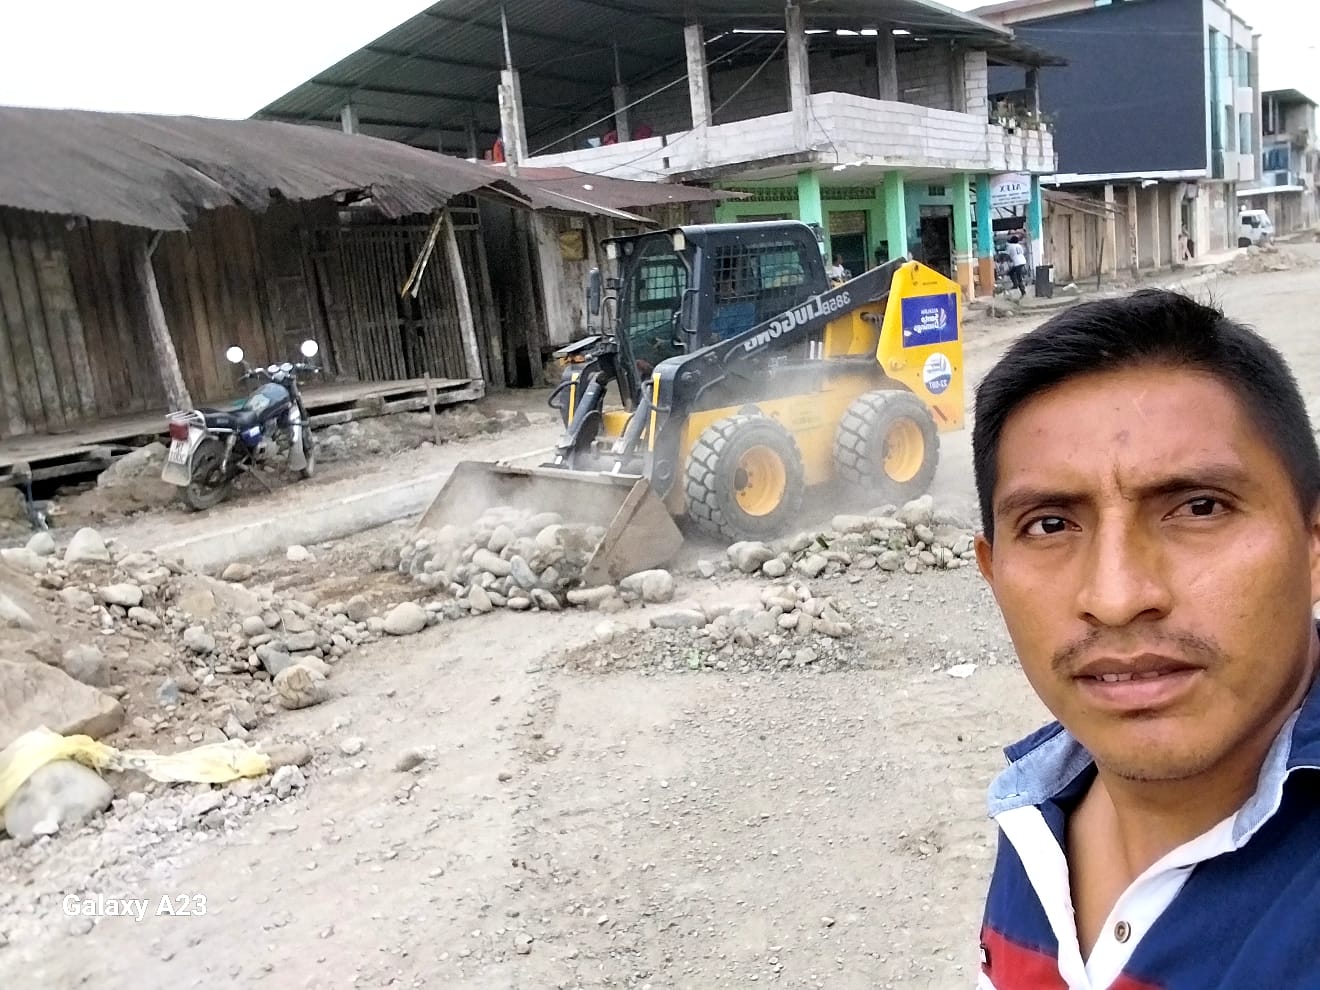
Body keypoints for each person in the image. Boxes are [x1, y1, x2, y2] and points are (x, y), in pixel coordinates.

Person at [970, 289, 1320, 989]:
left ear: (1313, 546)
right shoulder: (1039, 811)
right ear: (993, 570)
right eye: (1049, 525)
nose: (1116, 597)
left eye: (1199, 508)